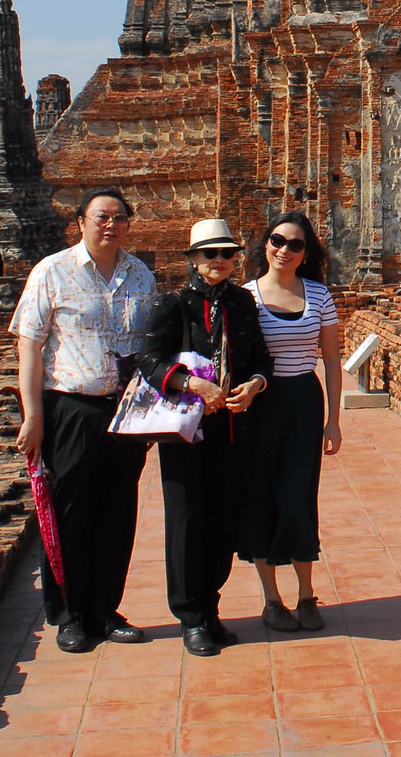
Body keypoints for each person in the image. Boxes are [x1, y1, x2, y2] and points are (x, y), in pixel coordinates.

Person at [9, 186, 158, 653]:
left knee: (118, 513)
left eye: (119, 217)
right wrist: (32, 414)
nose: (110, 224)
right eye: (100, 217)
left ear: (129, 223)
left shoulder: (141, 276)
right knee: (71, 511)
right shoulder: (52, 271)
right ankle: (70, 615)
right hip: (71, 406)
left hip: (126, 409)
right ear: (81, 222)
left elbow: (151, 350)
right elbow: (29, 347)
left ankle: (105, 609)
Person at [137, 218, 271, 657]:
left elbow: (260, 360)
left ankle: (211, 607)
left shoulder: (243, 303)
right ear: (194, 259)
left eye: (227, 254)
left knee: (223, 522)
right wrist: (192, 384)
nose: (220, 261)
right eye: (210, 254)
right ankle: (190, 615)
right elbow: (149, 362)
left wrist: (254, 386)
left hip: (232, 428)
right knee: (187, 521)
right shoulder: (173, 304)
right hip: (186, 431)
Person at [241, 211, 342, 632]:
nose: (284, 250)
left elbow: (333, 360)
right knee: (260, 497)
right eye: (278, 240)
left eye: (295, 244)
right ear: (265, 244)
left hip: (302, 399)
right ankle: (271, 599)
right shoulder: (244, 297)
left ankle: (305, 594)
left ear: (306, 253)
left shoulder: (318, 295)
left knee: (298, 497)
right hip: (260, 405)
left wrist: (334, 420)